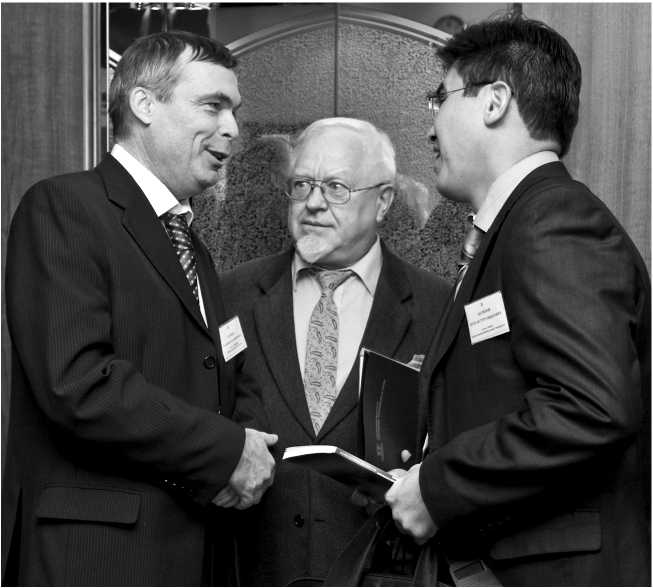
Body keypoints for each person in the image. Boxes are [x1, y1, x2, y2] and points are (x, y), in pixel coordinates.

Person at [2, 31, 277, 587]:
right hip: (99, 558)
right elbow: (79, 384)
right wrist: (226, 451)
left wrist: (252, 444)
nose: (232, 128)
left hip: (194, 551)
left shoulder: (189, 242)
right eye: (213, 106)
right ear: (145, 104)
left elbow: (225, 366)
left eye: (235, 111)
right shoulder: (65, 207)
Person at [385, 14, 651, 587]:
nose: (430, 128)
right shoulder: (518, 223)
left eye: (441, 98)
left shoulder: (553, 220)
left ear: (494, 102)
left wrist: (437, 487)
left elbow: (589, 406)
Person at [220, 117, 450, 585]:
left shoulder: (438, 310)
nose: (313, 202)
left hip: (381, 573)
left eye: (336, 188)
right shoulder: (232, 296)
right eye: (302, 185)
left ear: (383, 201)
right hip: (253, 568)